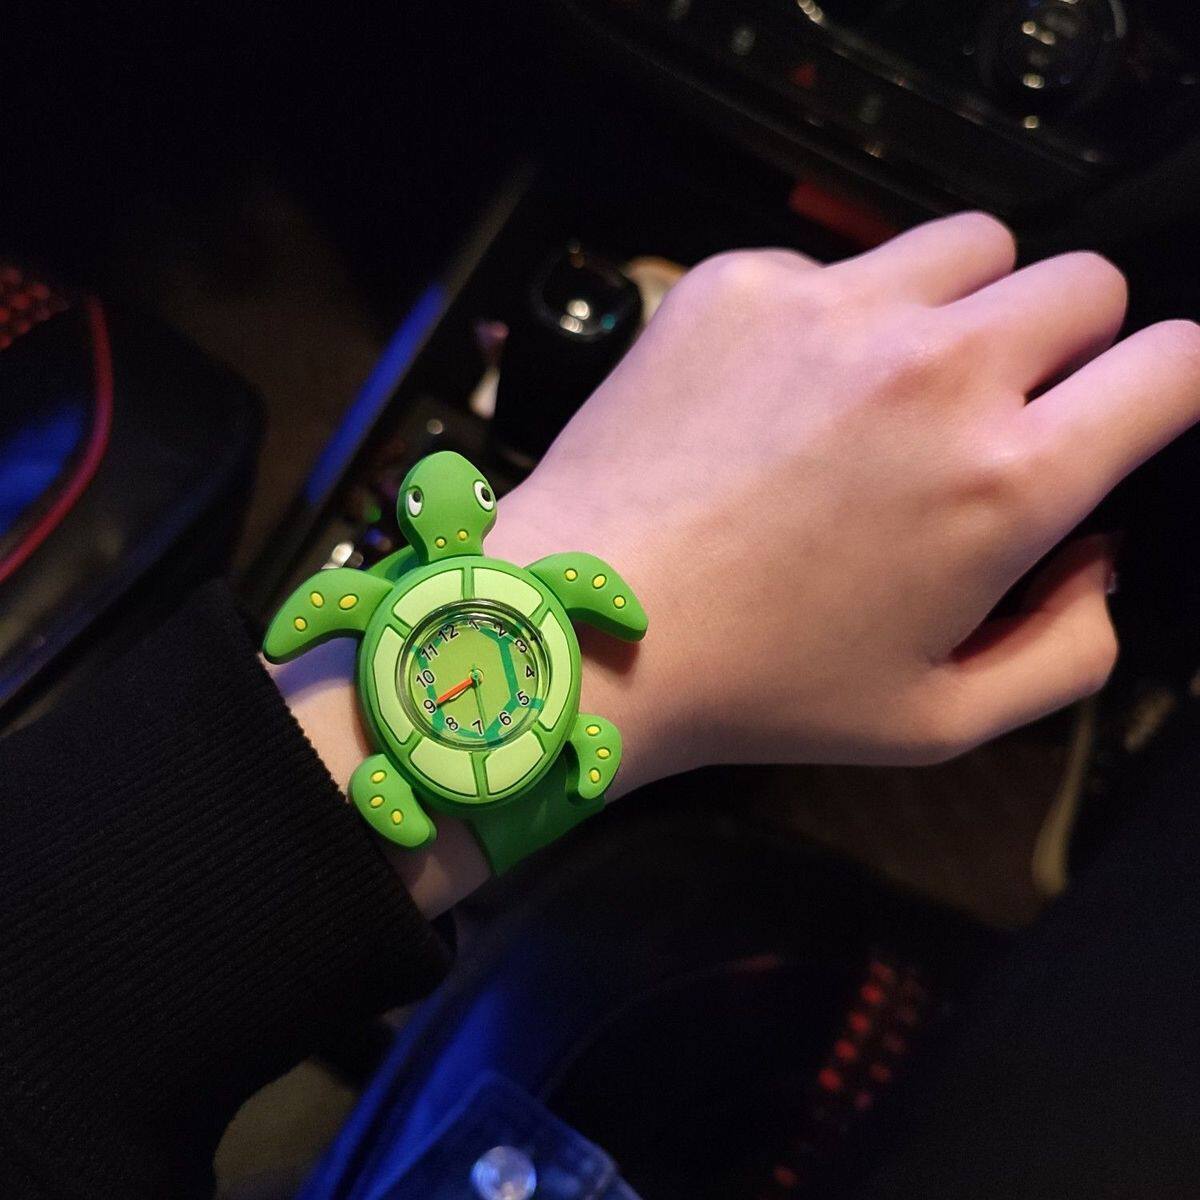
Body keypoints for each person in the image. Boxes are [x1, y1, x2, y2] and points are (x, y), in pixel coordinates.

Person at [2, 212, 1199, 1199]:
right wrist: (628, 592)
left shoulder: (393, 601)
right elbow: (529, 619)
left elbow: (328, 613)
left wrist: (607, 555)